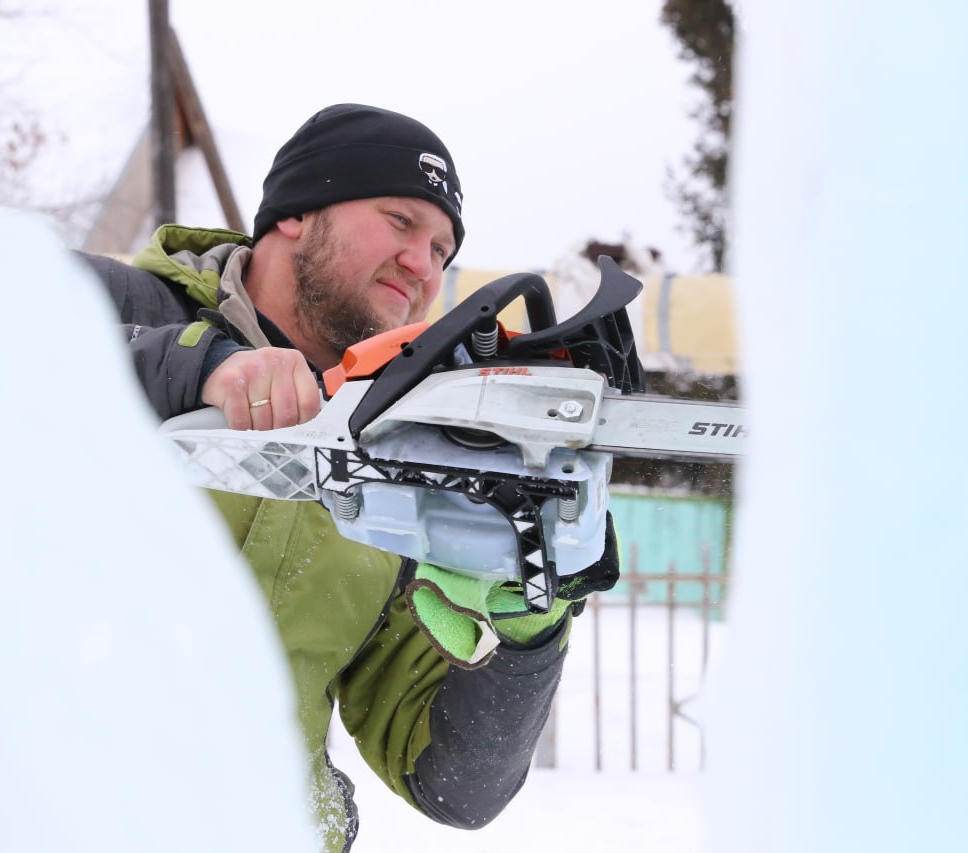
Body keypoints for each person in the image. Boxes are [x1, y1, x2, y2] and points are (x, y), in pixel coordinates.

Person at [77, 103, 618, 852]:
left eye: (442, 248)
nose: (425, 264)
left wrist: (529, 626)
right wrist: (199, 368)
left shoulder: (398, 462)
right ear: (297, 214)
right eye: (401, 221)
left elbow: (456, 786)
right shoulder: (108, 301)